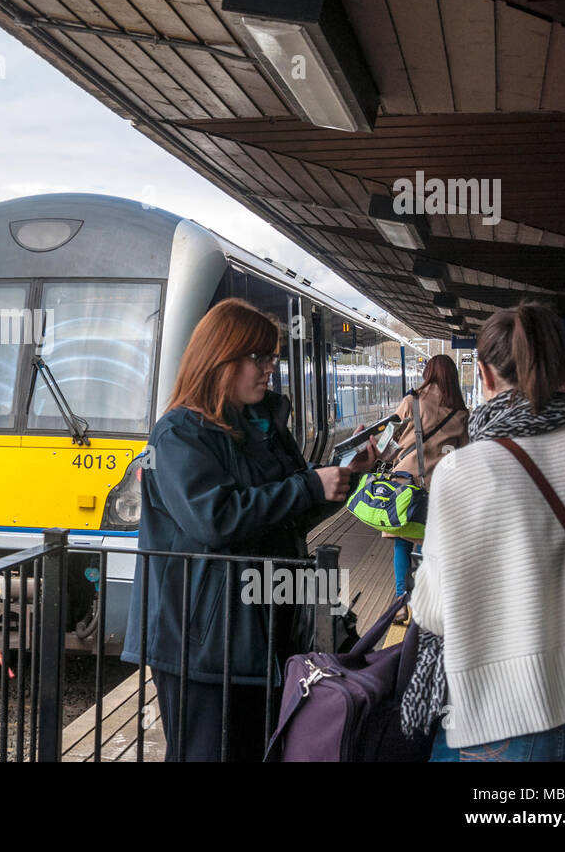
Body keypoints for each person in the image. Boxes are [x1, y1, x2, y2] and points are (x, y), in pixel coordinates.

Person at [121, 298, 376, 761]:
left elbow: (287, 511)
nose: (269, 370)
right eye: (258, 358)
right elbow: (215, 519)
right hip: (202, 642)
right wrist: (306, 485)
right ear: (221, 359)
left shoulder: (263, 427)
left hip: (265, 628)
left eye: (272, 358)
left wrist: (341, 479)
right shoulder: (180, 433)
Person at [406, 302, 565, 761]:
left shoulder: (462, 470)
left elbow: (434, 612)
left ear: (484, 374)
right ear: (563, 366)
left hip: (495, 718)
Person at [385, 355, 469, 624]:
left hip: (404, 484)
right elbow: (462, 453)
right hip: (440, 488)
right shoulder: (459, 412)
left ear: (428, 373)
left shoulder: (411, 401)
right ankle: (426, 603)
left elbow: (390, 438)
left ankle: (401, 604)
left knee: (401, 542)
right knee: (428, 542)